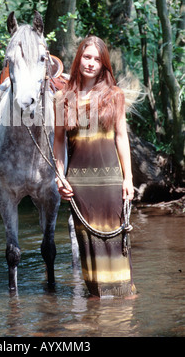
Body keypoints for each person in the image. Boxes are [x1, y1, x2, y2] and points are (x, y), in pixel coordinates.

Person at [53, 36, 136, 298]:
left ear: (104, 64)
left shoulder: (115, 95)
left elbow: (121, 138)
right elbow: (58, 142)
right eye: (87, 57)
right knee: (89, 252)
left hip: (111, 182)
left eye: (97, 59)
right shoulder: (62, 97)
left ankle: (124, 306)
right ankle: (97, 309)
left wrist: (128, 178)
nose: (91, 63)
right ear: (79, 59)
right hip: (79, 186)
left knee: (116, 246)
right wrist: (59, 177)